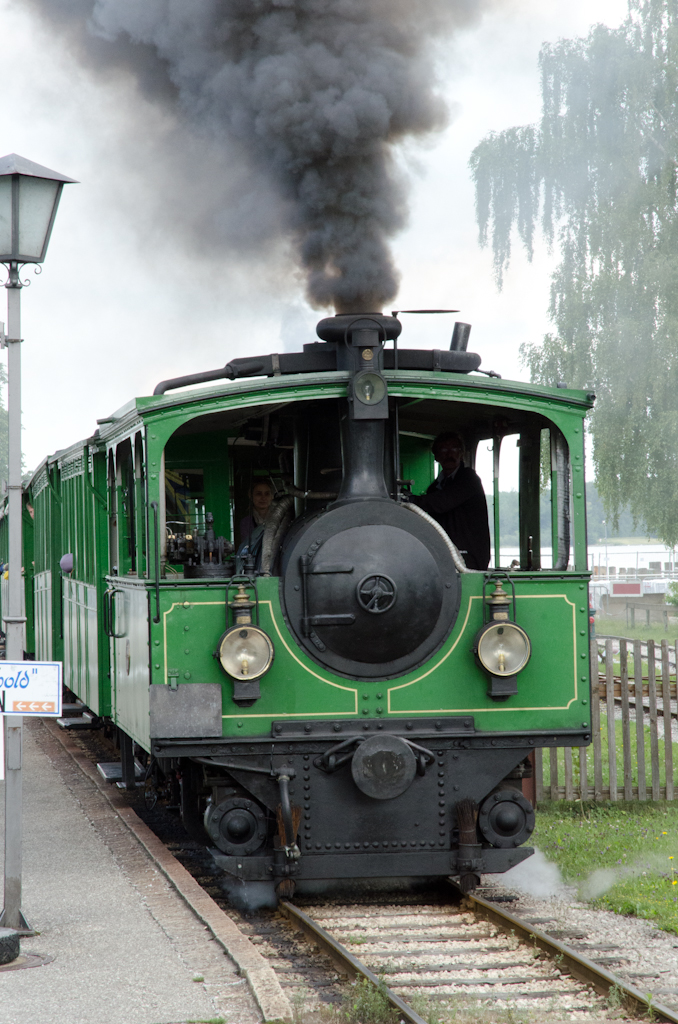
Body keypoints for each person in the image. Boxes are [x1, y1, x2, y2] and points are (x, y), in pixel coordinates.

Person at [410, 432, 490, 570]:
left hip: (469, 556)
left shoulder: (468, 479)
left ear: (461, 453)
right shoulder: (435, 487)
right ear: (436, 456)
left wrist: (410, 500)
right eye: (444, 450)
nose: (449, 454)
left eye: (454, 449)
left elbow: (441, 503)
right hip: (447, 555)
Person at [239, 479, 274, 545]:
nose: (263, 498)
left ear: (272, 496)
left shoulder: (280, 519)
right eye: (259, 494)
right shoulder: (246, 522)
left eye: (267, 494)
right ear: (251, 496)